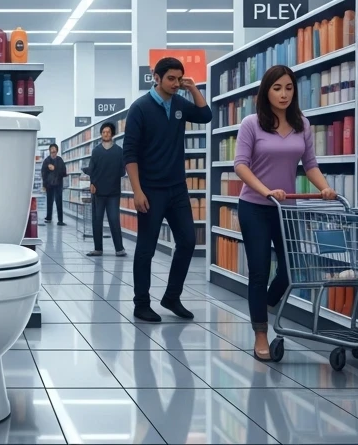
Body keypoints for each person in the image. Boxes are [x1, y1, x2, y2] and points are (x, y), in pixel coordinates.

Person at [234, 64, 336, 361]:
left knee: (293, 268)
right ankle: (261, 334)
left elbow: (310, 164)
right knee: (259, 270)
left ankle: (265, 303)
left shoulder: (302, 124)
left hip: (286, 208)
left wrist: (326, 187)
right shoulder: (251, 124)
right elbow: (240, 165)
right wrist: (265, 190)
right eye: (277, 88)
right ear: (266, 91)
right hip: (255, 206)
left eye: (288, 88)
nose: (283, 94)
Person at [123, 57, 212, 321]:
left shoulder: (180, 104)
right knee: (146, 248)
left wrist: (193, 87)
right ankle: (141, 304)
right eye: (171, 78)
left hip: (177, 188)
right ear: (157, 77)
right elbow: (130, 154)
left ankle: (172, 296)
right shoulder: (139, 108)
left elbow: (205, 115)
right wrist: (137, 191)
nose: (175, 84)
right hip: (151, 190)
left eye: (179, 79)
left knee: (187, 241)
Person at [86, 121, 126, 257]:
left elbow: (122, 172)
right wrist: (92, 183)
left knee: (114, 219)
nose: (106, 134)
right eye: (103, 132)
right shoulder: (96, 151)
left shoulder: (119, 152)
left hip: (113, 193)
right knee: (97, 220)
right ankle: (98, 249)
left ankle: (119, 249)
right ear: (101, 134)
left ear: (112, 134)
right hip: (98, 192)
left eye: (108, 132)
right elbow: (92, 169)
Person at [41, 143, 67, 225]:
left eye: (54, 151)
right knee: (49, 201)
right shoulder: (46, 161)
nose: (53, 153)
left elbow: (64, 172)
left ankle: (60, 220)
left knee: (59, 202)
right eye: (51, 151)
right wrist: (44, 185)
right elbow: (43, 173)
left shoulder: (60, 160)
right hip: (49, 185)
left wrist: (55, 168)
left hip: (58, 184)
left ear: (57, 151)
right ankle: (49, 218)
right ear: (49, 151)